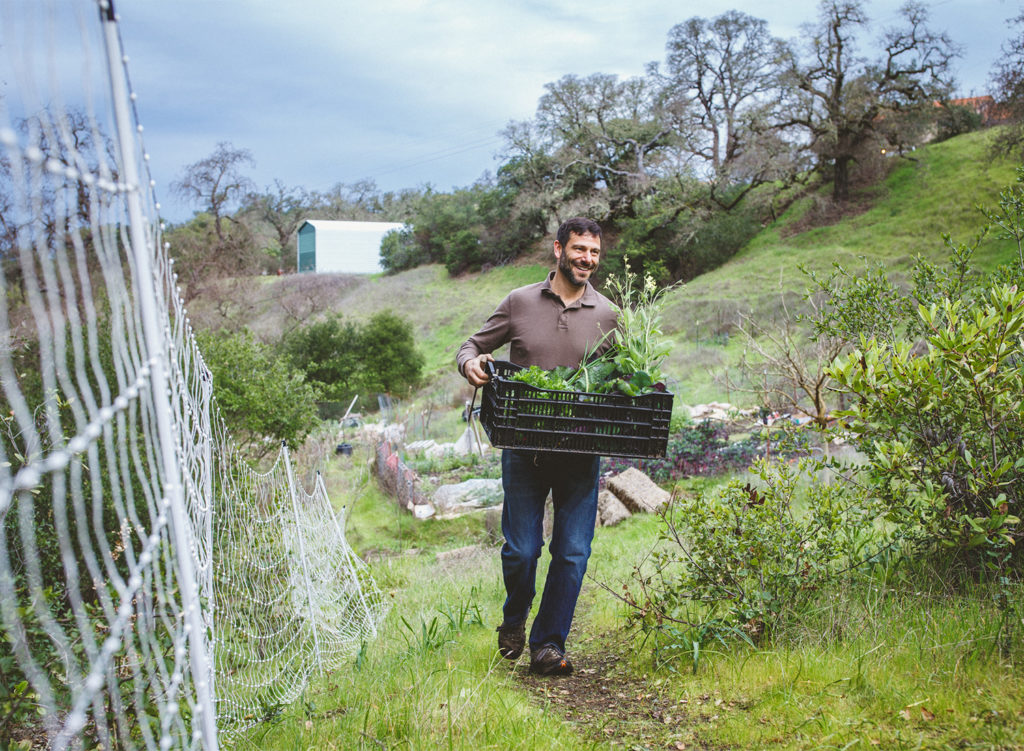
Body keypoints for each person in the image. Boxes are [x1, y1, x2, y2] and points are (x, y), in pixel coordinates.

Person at [456, 217, 618, 676]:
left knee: (572, 552)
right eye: (579, 249)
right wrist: (472, 364)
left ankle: (548, 644)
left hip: (580, 453)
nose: (587, 258)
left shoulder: (608, 315)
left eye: (594, 252)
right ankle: (513, 619)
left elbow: (622, 377)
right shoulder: (520, 302)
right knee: (523, 550)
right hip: (524, 448)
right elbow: (471, 346)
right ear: (558, 249)